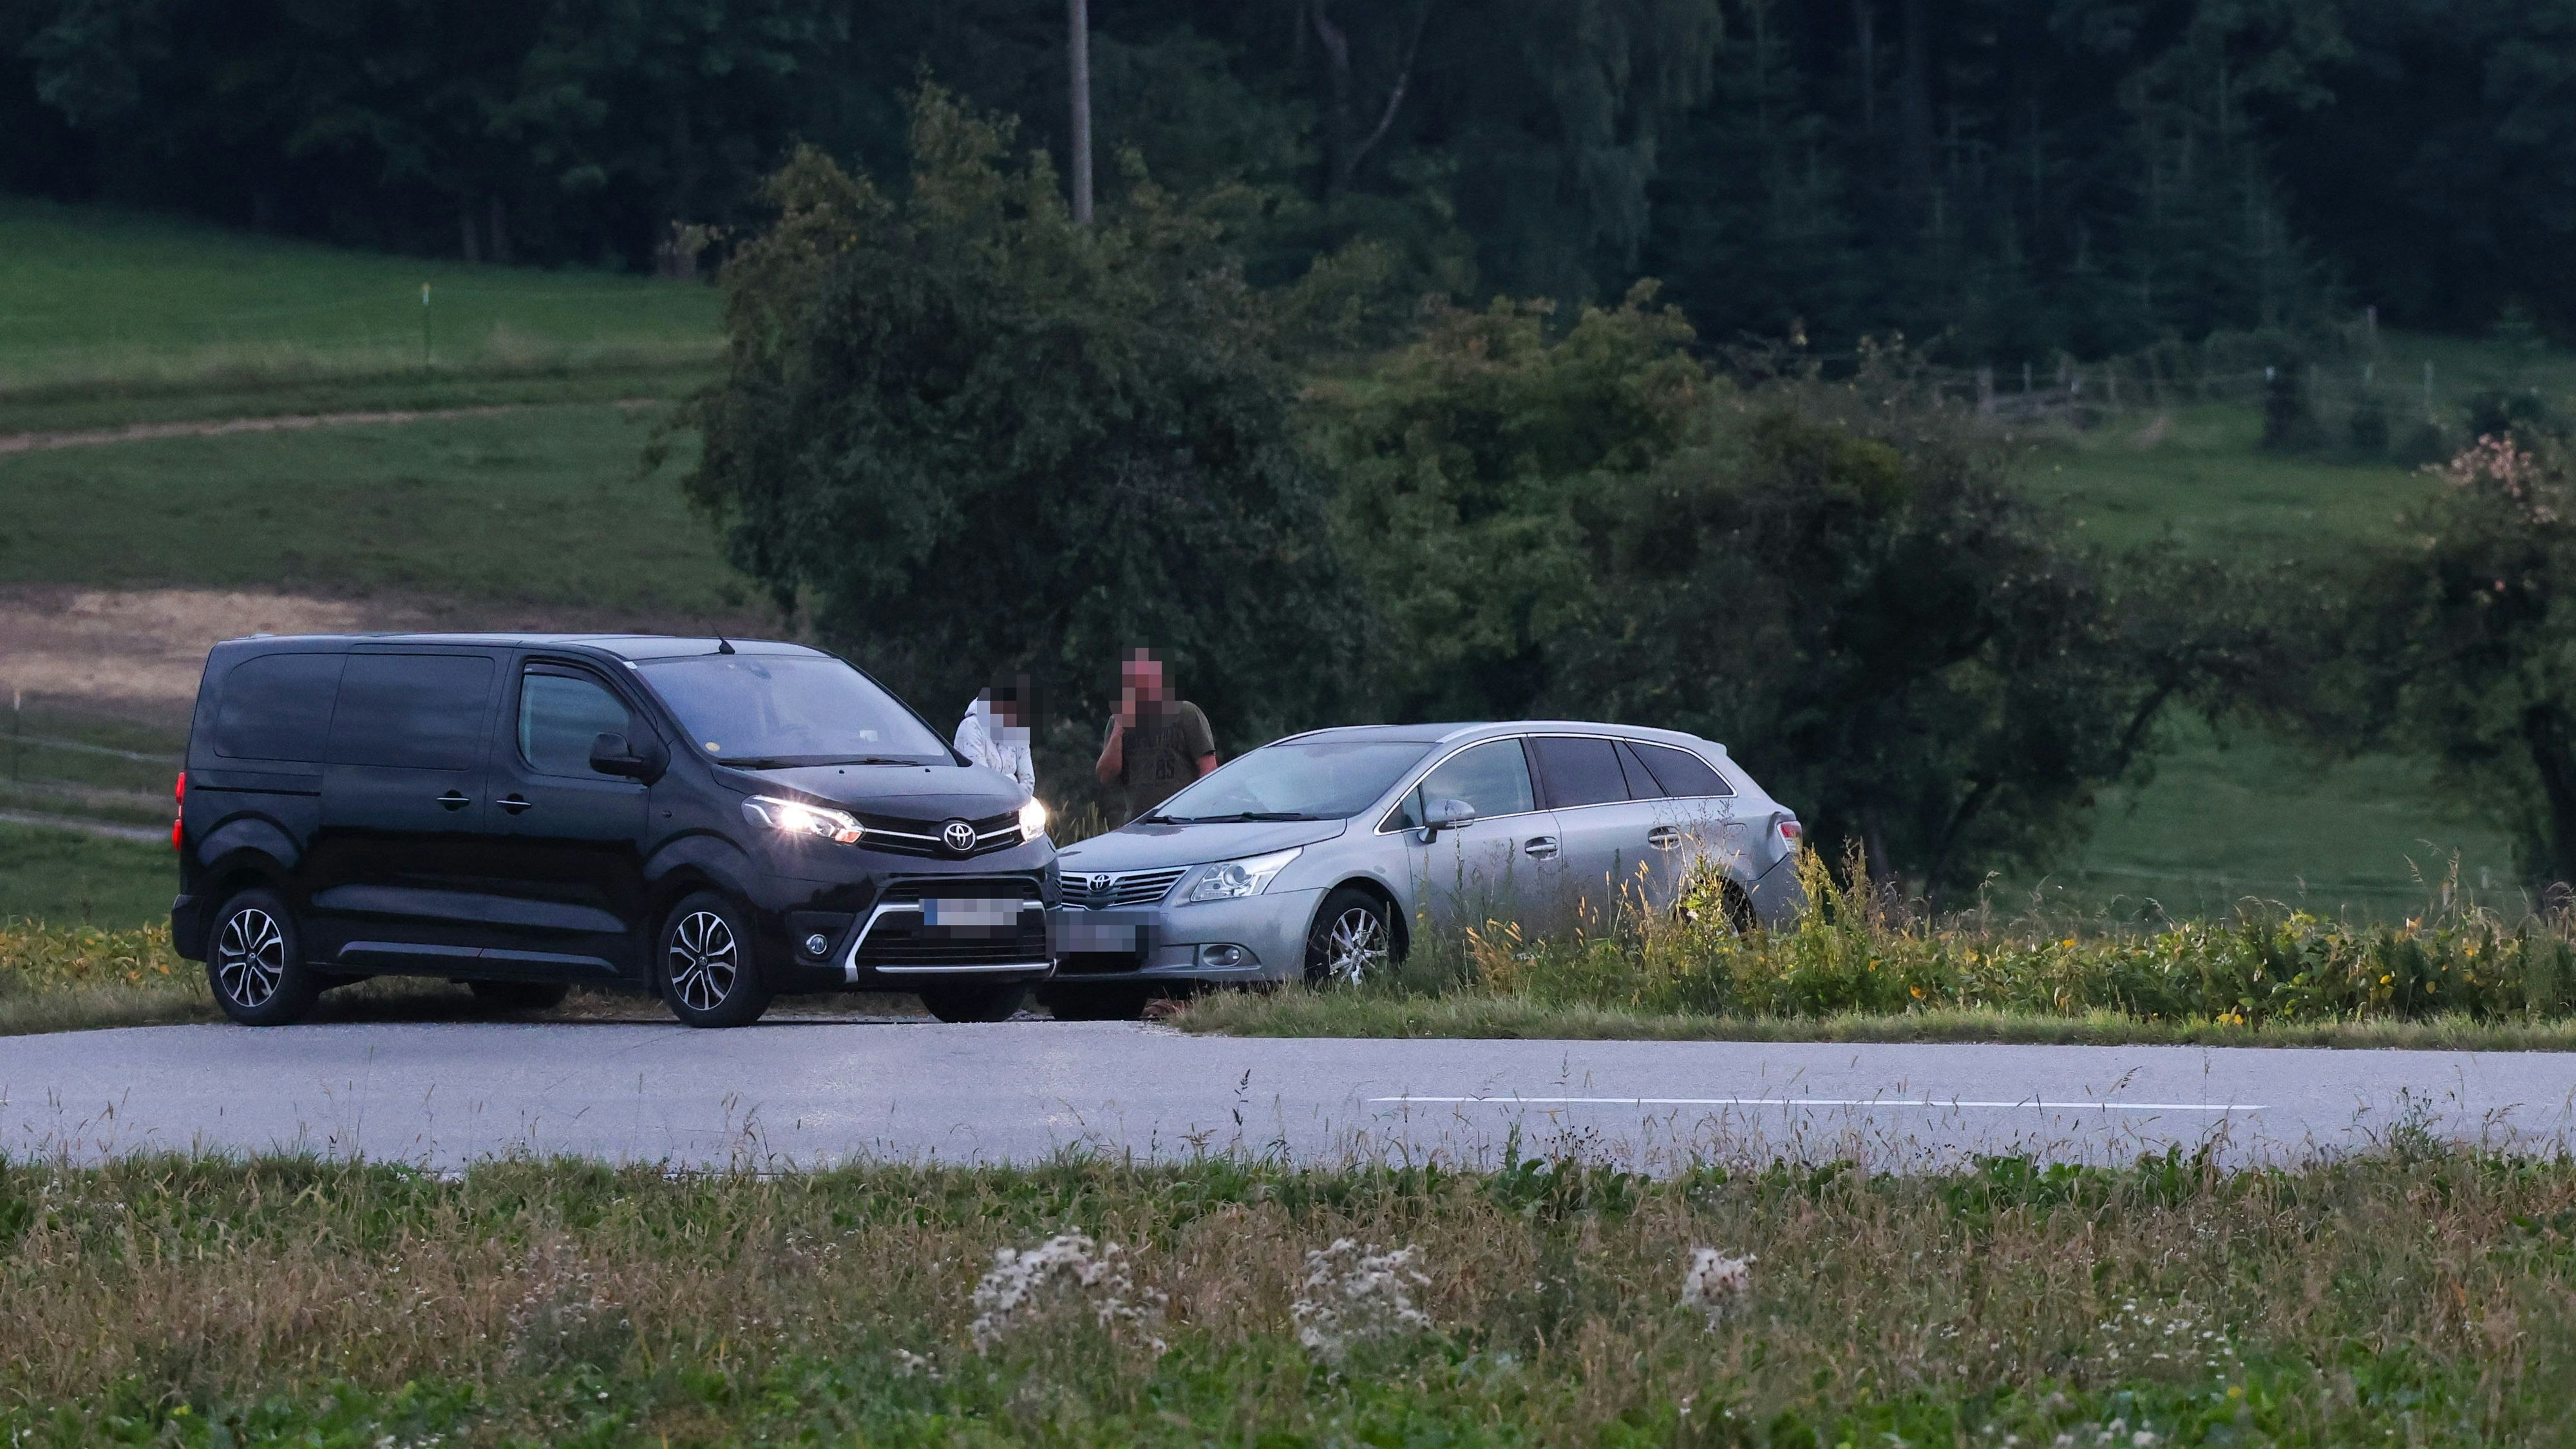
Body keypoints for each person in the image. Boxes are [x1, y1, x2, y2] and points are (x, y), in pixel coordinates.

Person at [1094, 649, 1215, 822]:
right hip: (1138, 824)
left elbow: (1208, 769)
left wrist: (1201, 813)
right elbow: (1106, 776)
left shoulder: (1186, 714)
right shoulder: (1116, 722)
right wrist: (1118, 733)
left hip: (1182, 822)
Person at [954, 677, 1036, 798]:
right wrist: (1012, 781)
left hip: (1012, 807)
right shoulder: (971, 727)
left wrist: (1015, 800)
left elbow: (1028, 782)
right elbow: (981, 782)